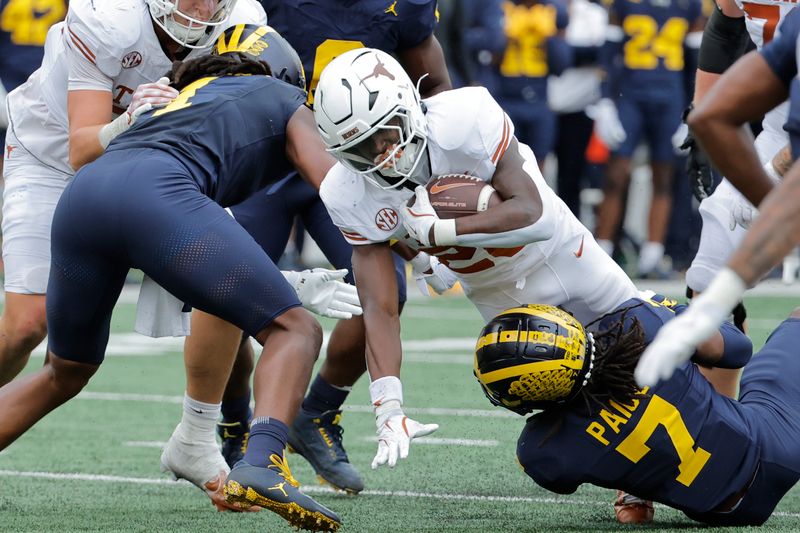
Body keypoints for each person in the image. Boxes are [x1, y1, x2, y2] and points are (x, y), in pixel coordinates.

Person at [0, 51, 349, 532]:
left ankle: (203, 440)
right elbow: (334, 187)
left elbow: (205, 275)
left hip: (85, 193)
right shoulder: (283, 97)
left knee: (64, 370)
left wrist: (281, 283)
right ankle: (262, 461)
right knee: (296, 329)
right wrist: (414, 230)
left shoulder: (176, 104)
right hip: (158, 194)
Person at [313, 47, 640, 469]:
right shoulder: (346, 191)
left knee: (643, 339)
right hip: (494, 293)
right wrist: (388, 408)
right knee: (564, 392)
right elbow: (379, 306)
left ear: (409, 106)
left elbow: (533, 214)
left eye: (388, 134)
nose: (384, 156)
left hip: (561, 254)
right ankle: (632, 480)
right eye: (365, 150)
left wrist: (442, 234)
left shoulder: (464, 118)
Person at [205, 0, 454, 493]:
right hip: (263, 160)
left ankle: (317, 410)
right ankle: (234, 422)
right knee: (220, 290)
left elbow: (437, 90)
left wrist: (429, 187)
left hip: (352, 169)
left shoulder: (403, 9)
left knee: (385, 297)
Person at [0, 0, 265, 383]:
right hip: (50, 156)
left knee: (224, 295)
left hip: (146, 166)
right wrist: (126, 121)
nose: (206, 7)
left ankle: (219, 425)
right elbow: (81, 150)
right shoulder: (109, 19)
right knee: (27, 325)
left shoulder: (241, 24)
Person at [471, 297, 800, 527]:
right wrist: (668, 309)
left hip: (722, 512)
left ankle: (634, 492)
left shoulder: (542, 451)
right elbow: (738, 349)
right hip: (774, 442)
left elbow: (568, 470)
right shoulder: (641, 325)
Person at [634, 7, 800, 389]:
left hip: (789, 144)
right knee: (710, 270)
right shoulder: (787, 37)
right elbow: (725, 32)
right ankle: (718, 425)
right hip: (781, 131)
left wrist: (773, 173)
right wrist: (703, 125)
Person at [591, 0, 704, 277]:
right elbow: (608, 55)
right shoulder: (624, 3)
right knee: (615, 174)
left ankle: (652, 255)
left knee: (664, 176)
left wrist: (692, 107)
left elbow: (697, 62)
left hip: (670, 96)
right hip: (629, 95)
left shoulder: (689, 6)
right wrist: (605, 101)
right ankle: (602, 251)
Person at [491, 0, 573, 169]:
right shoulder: (499, 6)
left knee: (537, 167)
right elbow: (486, 59)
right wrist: (504, 35)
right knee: (503, 167)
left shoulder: (554, 10)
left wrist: (550, 36)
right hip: (505, 98)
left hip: (539, 98)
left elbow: (562, 65)